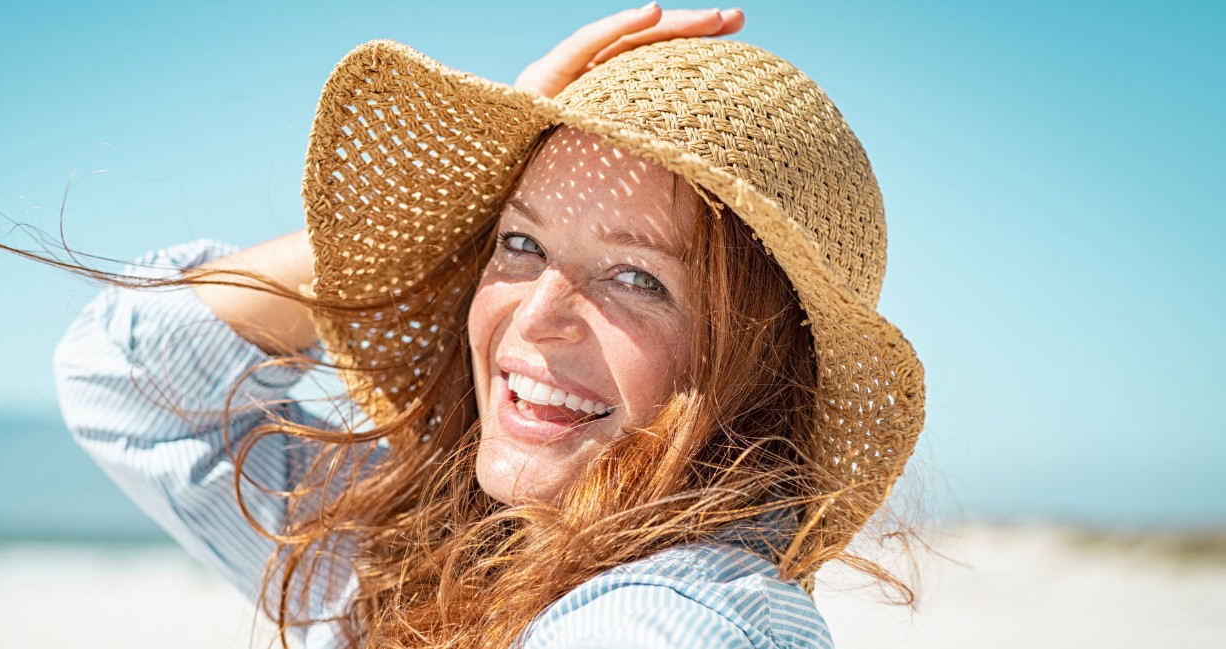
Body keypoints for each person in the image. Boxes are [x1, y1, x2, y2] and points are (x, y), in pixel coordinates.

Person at [48, 5, 925, 648]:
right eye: (518, 241)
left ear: (761, 363)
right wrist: (439, 219)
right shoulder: (439, 555)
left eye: (636, 277)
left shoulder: (677, 618)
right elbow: (124, 379)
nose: (536, 316)